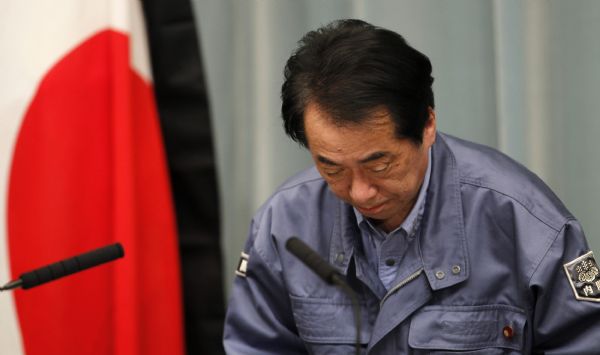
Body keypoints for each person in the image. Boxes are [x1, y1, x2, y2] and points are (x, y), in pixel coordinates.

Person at [223, 19, 600, 354]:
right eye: (331, 167)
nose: (359, 192)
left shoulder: (529, 226)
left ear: (427, 125)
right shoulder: (282, 225)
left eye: (379, 164)